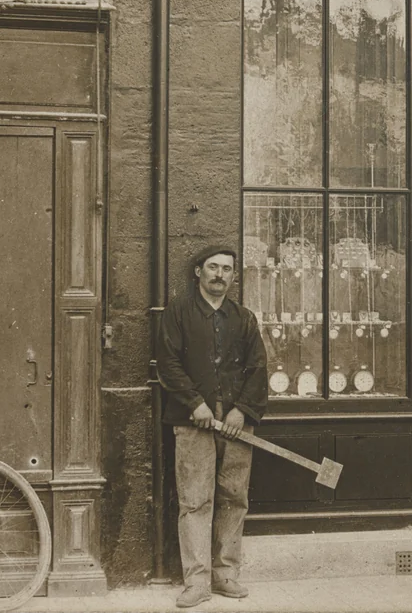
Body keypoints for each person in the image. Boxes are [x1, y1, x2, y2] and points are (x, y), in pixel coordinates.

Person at [156, 246, 269, 608]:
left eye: (227, 269)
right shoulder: (178, 313)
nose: (220, 275)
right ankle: (197, 581)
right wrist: (195, 404)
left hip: (236, 425)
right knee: (195, 501)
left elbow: (258, 368)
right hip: (193, 424)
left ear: (234, 276)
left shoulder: (244, 318)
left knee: (234, 498)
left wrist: (242, 412)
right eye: (213, 267)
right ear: (198, 272)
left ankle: (226, 575)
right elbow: (168, 364)